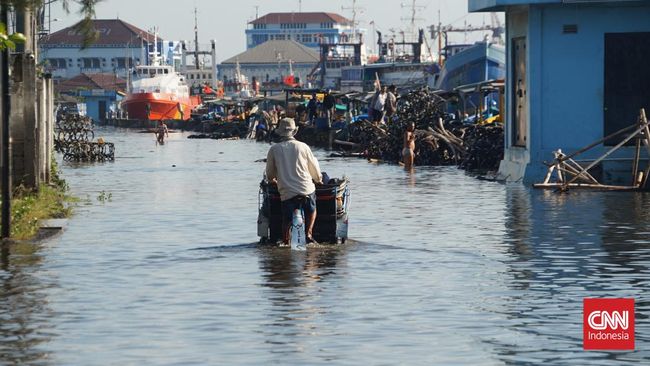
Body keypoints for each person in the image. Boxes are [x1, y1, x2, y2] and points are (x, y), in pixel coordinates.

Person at [266, 118, 323, 245]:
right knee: (312, 209)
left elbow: (270, 174)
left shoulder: (274, 149)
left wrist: (272, 180)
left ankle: (286, 239)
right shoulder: (303, 147)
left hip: (287, 192)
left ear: (280, 133)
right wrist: (318, 180)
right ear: (294, 132)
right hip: (306, 189)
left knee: (286, 219)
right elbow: (314, 168)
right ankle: (308, 233)